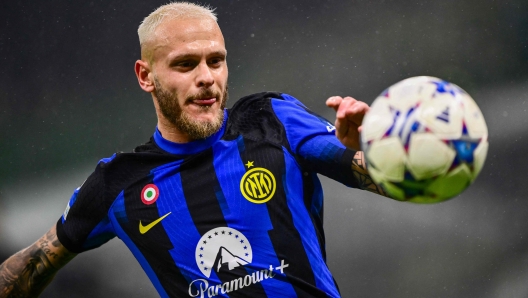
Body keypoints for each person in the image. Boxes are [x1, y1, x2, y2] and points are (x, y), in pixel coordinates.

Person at [0, 2, 388, 297]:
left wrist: (373, 147)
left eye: (215, 61)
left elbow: (385, 181)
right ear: (145, 76)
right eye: (186, 65)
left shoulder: (271, 120)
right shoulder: (116, 183)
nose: (207, 78)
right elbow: (32, 265)